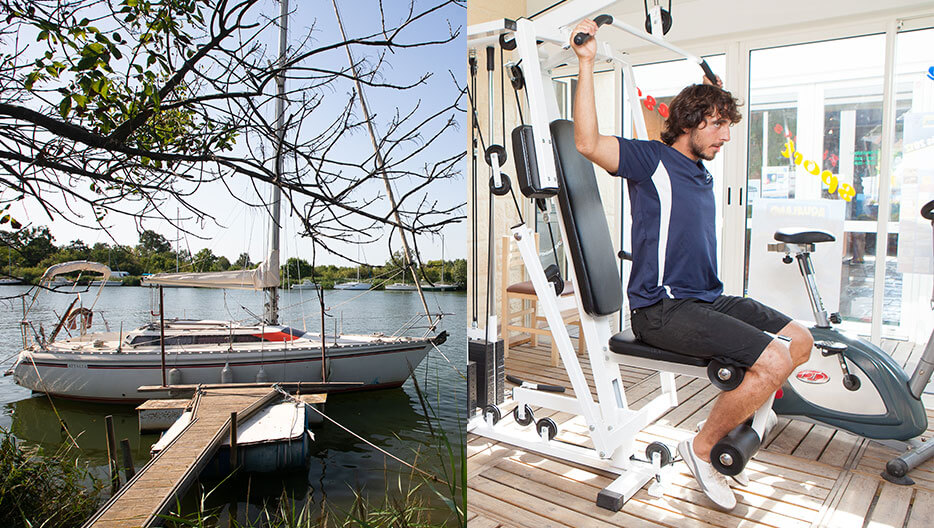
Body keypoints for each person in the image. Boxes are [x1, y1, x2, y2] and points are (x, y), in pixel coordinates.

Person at [569, 19, 813, 510]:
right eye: (718, 125)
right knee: (773, 360)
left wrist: (716, 97)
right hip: (663, 308)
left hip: (708, 296)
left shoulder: (700, 171)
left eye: (727, 126)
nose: (726, 136)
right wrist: (587, 62)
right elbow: (588, 143)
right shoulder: (651, 160)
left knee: (800, 342)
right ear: (690, 120)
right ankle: (701, 451)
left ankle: (736, 419)